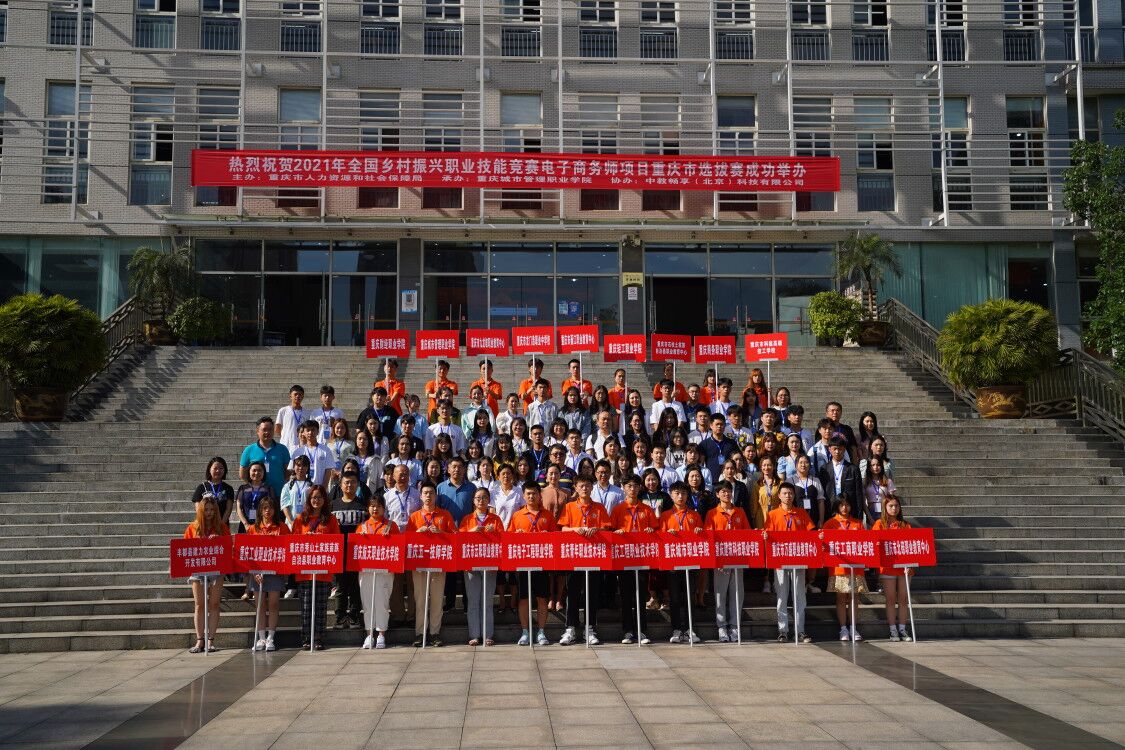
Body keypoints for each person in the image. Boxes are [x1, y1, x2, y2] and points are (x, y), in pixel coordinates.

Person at [557, 476, 613, 645]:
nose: (585, 488)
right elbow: (563, 528)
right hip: (574, 556)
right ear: (575, 487)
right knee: (573, 592)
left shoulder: (599, 507)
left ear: (592, 488)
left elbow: (606, 528)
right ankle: (570, 628)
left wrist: (596, 529)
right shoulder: (569, 507)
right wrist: (575, 529)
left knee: (592, 592)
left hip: (594, 556)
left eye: (588, 485)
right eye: (581, 486)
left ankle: (590, 628)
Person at [763, 482, 816, 644]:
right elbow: (767, 534)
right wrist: (765, 536)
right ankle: (783, 631)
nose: (788, 496)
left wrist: (818, 537)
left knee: (799, 595)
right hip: (779, 560)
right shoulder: (773, 514)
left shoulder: (801, 513)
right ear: (779, 496)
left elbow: (811, 532)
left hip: (799, 559)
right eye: (785, 493)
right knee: (782, 596)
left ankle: (800, 630)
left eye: (790, 493)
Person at [406, 482, 457, 647]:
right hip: (419, 563)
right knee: (420, 600)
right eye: (425, 493)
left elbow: (455, 537)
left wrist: (441, 532)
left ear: (436, 496)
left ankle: (435, 633)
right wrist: (417, 533)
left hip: (439, 562)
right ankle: (420, 633)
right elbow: (407, 540)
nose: (428, 496)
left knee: (436, 600)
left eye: (431, 493)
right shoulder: (414, 517)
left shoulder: (444, 515)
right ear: (420, 496)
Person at [291, 485, 341, 650]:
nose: (316, 500)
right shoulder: (300, 519)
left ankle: (318, 637)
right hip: (304, 570)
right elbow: (293, 542)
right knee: (306, 606)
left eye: (319, 497)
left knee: (320, 606)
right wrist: (306, 539)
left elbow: (336, 542)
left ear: (324, 500)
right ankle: (307, 637)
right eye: (313, 497)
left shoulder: (330, 519)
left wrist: (321, 538)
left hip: (323, 570)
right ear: (308, 500)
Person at [508, 481, 558, 646]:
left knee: (542, 598)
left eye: (534, 493)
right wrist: (516, 535)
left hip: (542, 563)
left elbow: (556, 538)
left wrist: (547, 535)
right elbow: (509, 538)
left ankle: (541, 632)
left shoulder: (547, 515)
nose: (531, 496)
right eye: (528, 493)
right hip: (522, 562)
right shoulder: (517, 515)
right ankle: (525, 632)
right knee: (524, 598)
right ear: (523, 496)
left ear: (539, 495)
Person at [610, 474, 657, 645]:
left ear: (640, 488)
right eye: (629, 486)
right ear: (623, 488)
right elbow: (611, 531)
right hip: (624, 557)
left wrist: (651, 531)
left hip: (642, 558)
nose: (632, 489)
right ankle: (628, 631)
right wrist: (616, 533)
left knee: (640, 595)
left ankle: (641, 631)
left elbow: (655, 529)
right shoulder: (618, 509)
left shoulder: (647, 509)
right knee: (625, 595)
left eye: (636, 486)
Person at [705, 480, 752, 643]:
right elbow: (709, 537)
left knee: (737, 593)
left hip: (738, 558)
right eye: (723, 491)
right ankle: (722, 626)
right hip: (720, 560)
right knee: (720, 593)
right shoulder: (712, 513)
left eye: (729, 491)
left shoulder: (740, 512)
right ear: (717, 494)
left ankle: (734, 625)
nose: (726, 494)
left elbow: (747, 533)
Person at [659, 482, 704, 644]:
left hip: (690, 561)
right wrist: (667, 534)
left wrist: (699, 531)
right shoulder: (665, 516)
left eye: (683, 493)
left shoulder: (694, 515)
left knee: (690, 595)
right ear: (671, 495)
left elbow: (702, 536)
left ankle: (690, 628)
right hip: (673, 562)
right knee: (675, 597)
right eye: (677, 493)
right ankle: (677, 629)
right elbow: (660, 537)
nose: (680, 496)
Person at [458, 487, 503, 646]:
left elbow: (503, 538)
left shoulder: (495, 519)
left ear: (489, 500)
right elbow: (459, 538)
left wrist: (494, 532)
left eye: (484, 497)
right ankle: (474, 635)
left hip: (490, 562)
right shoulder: (467, 519)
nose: (481, 500)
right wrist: (472, 531)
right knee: (473, 600)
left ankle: (487, 634)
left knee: (487, 600)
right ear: (473, 501)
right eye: (478, 497)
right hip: (471, 562)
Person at [184, 495, 228, 653]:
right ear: (201, 511)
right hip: (198, 569)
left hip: (217, 569)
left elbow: (229, 546)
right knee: (199, 605)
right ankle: (199, 640)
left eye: (212, 510)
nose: (209, 513)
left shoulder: (221, 527)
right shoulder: (192, 527)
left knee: (214, 604)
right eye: (206, 510)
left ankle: (211, 640)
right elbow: (185, 549)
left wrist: (219, 540)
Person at [822, 496, 868, 641]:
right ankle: (843, 628)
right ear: (837, 506)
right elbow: (824, 545)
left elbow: (865, 543)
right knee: (841, 598)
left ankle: (853, 627)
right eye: (841, 505)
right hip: (838, 568)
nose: (844, 508)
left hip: (856, 567)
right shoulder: (830, 523)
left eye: (847, 505)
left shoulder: (857, 523)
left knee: (854, 597)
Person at [246, 496, 289, 652]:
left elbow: (288, 549)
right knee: (260, 605)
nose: (267, 511)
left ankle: (271, 637)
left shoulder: (282, 527)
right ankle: (261, 637)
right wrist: (253, 572)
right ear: (260, 510)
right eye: (264, 508)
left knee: (273, 603)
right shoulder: (253, 529)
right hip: (257, 572)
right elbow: (247, 553)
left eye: (270, 508)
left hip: (275, 572)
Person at [357, 495, 398, 649]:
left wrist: (390, 539)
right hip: (366, 571)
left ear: (384, 508)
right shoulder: (362, 527)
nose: (375, 509)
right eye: (372, 506)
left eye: (378, 506)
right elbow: (355, 549)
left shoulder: (391, 526)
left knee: (382, 602)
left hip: (384, 571)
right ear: (368, 508)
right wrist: (360, 539)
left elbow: (398, 548)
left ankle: (381, 633)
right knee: (367, 603)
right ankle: (369, 634)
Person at [872, 495, 914, 642]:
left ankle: (902, 628)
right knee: (890, 598)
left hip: (904, 567)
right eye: (891, 506)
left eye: (896, 506)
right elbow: (874, 544)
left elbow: (911, 546)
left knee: (903, 598)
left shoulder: (905, 525)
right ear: (885, 507)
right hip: (887, 567)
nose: (894, 508)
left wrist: (910, 564)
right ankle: (892, 630)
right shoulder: (879, 524)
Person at [382, 465, 421, 623]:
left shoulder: (417, 494)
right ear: (393, 476)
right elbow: (384, 518)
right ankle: (398, 615)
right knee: (395, 582)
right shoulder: (387, 496)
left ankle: (412, 616)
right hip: (394, 543)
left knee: (413, 582)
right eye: (400, 473)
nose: (403, 476)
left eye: (405, 473)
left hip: (413, 542)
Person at [331, 472, 366, 630]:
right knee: (340, 586)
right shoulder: (333, 505)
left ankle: (353, 616)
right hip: (339, 552)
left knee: (355, 586)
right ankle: (340, 617)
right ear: (341, 485)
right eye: (346, 482)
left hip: (357, 552)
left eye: (353, 482)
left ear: (357, 484)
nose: (349, 485)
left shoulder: (363, 505)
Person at [239, 417, 291, 497]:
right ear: (257, 431)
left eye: (270, 429)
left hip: (278, 494)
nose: (267, 432)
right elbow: (242, 474)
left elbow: (287, 472)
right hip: (256, 495)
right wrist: (253, 485)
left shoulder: (283, 449)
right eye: (264, 429)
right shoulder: (249, 450)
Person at [818, 436, 865, 522]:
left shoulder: (853, 469)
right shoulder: (824, 469)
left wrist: (859, 516)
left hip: (848, 509)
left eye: (840, 449)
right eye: (835, 449)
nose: (837, 451)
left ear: (844, 449)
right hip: (830, 509)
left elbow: (858, 494)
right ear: (829, 449)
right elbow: (822, 493)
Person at [192, 457, 235, 525]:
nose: (218, 471)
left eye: (221, 468)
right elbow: (198, 509)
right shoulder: (201, 487)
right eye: (215, 468)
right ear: (209, 469)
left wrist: (221, 525)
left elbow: (228, 510)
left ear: (225, 470)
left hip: (222, 526)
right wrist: (207, 525)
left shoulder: (228, 488)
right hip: (205, 526)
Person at [699, 413, 739, 481]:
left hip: (729, 480)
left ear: (725, 425)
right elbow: (701, 464)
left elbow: (737, 460)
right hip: (711, 481)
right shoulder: (704, 444)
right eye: (717, 424)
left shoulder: (732, 443)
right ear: (711, 425)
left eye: (721, 424)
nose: (719, 426)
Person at [863, 456, 895, 523]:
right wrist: (869, 517)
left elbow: (891, 500)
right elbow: (863, 502)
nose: (875, 467)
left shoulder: (888, 481)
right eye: (873, 465)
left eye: (878, 465)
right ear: (869, 467)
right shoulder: (865, 482)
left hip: (885, 511)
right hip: (871, 512)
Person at [275, 384, 307, 452]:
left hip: (301, 445)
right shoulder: (283, 410)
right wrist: (286, 436)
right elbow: (277, 428)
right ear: (290, 396)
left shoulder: (307, 413)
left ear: (303, 396)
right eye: (295, 394)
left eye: (300, 394)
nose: (298, 396)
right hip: (286, 445)